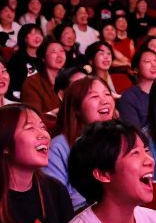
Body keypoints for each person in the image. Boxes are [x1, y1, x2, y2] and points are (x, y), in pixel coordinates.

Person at [47, 77, 116, 210]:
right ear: (76, 108)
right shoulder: (58, 147)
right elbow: (56, 200)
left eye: (107, 94)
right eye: (95, 96)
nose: (105, 101)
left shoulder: (120, 140)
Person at [117, 48, 156, 130]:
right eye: (147, 61)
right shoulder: (129, 97)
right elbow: (133, 132)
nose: (154, 65)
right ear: (136, 69)